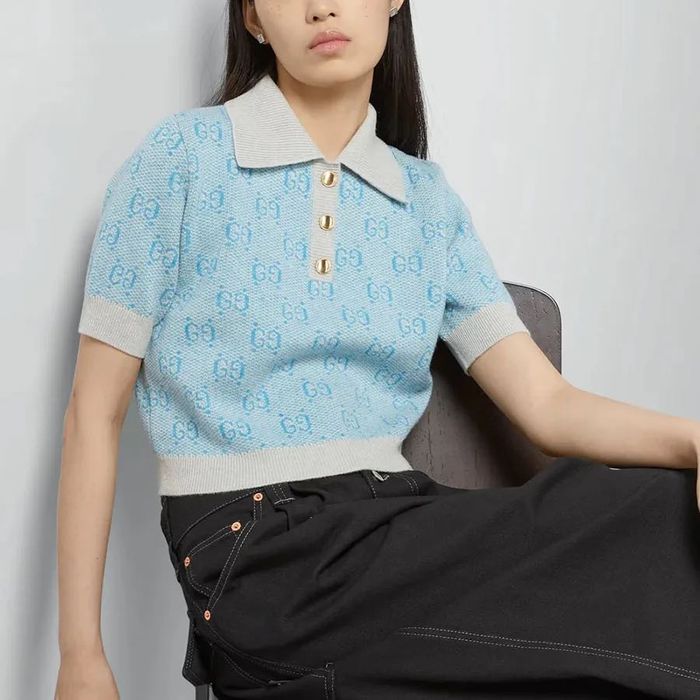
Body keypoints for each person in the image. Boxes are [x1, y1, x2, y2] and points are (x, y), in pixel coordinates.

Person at [56, 1, 700, 698]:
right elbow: (94, 413)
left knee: (658, 510)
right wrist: (81, 656)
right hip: (256, 546)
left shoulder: (426, 201)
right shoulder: (183, 158)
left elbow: (546, 404)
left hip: (395, 523)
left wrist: (694, 441)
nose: (323, 7)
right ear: (253, 19)